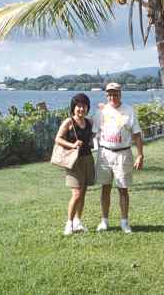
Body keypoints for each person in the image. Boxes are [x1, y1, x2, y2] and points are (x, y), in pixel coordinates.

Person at [93, 82, 144, 234]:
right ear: (106, 95)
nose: (112, 96)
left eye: (115, 93)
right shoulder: (100, 112)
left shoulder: (129, 110)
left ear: (120, 94)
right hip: (104, 153)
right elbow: (94, 131)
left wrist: (140, 154)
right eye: (109, 94)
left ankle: (124, 222)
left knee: (123, 189)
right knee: (105, 188)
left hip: (123, 153)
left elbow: (136, 134)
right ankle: (104, 221)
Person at [55, 93, 95, 236]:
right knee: (76, 194)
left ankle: (78, 222)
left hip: (87, 159)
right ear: (73, 107)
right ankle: (69, 224)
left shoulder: (89, 122)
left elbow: (93, 136)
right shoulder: (69, 122)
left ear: (87, 108)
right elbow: (58, 139)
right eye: (78, 106)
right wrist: (72, 145)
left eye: (84, 106)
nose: (81, 109)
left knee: (83, 194)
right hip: (74, 162)